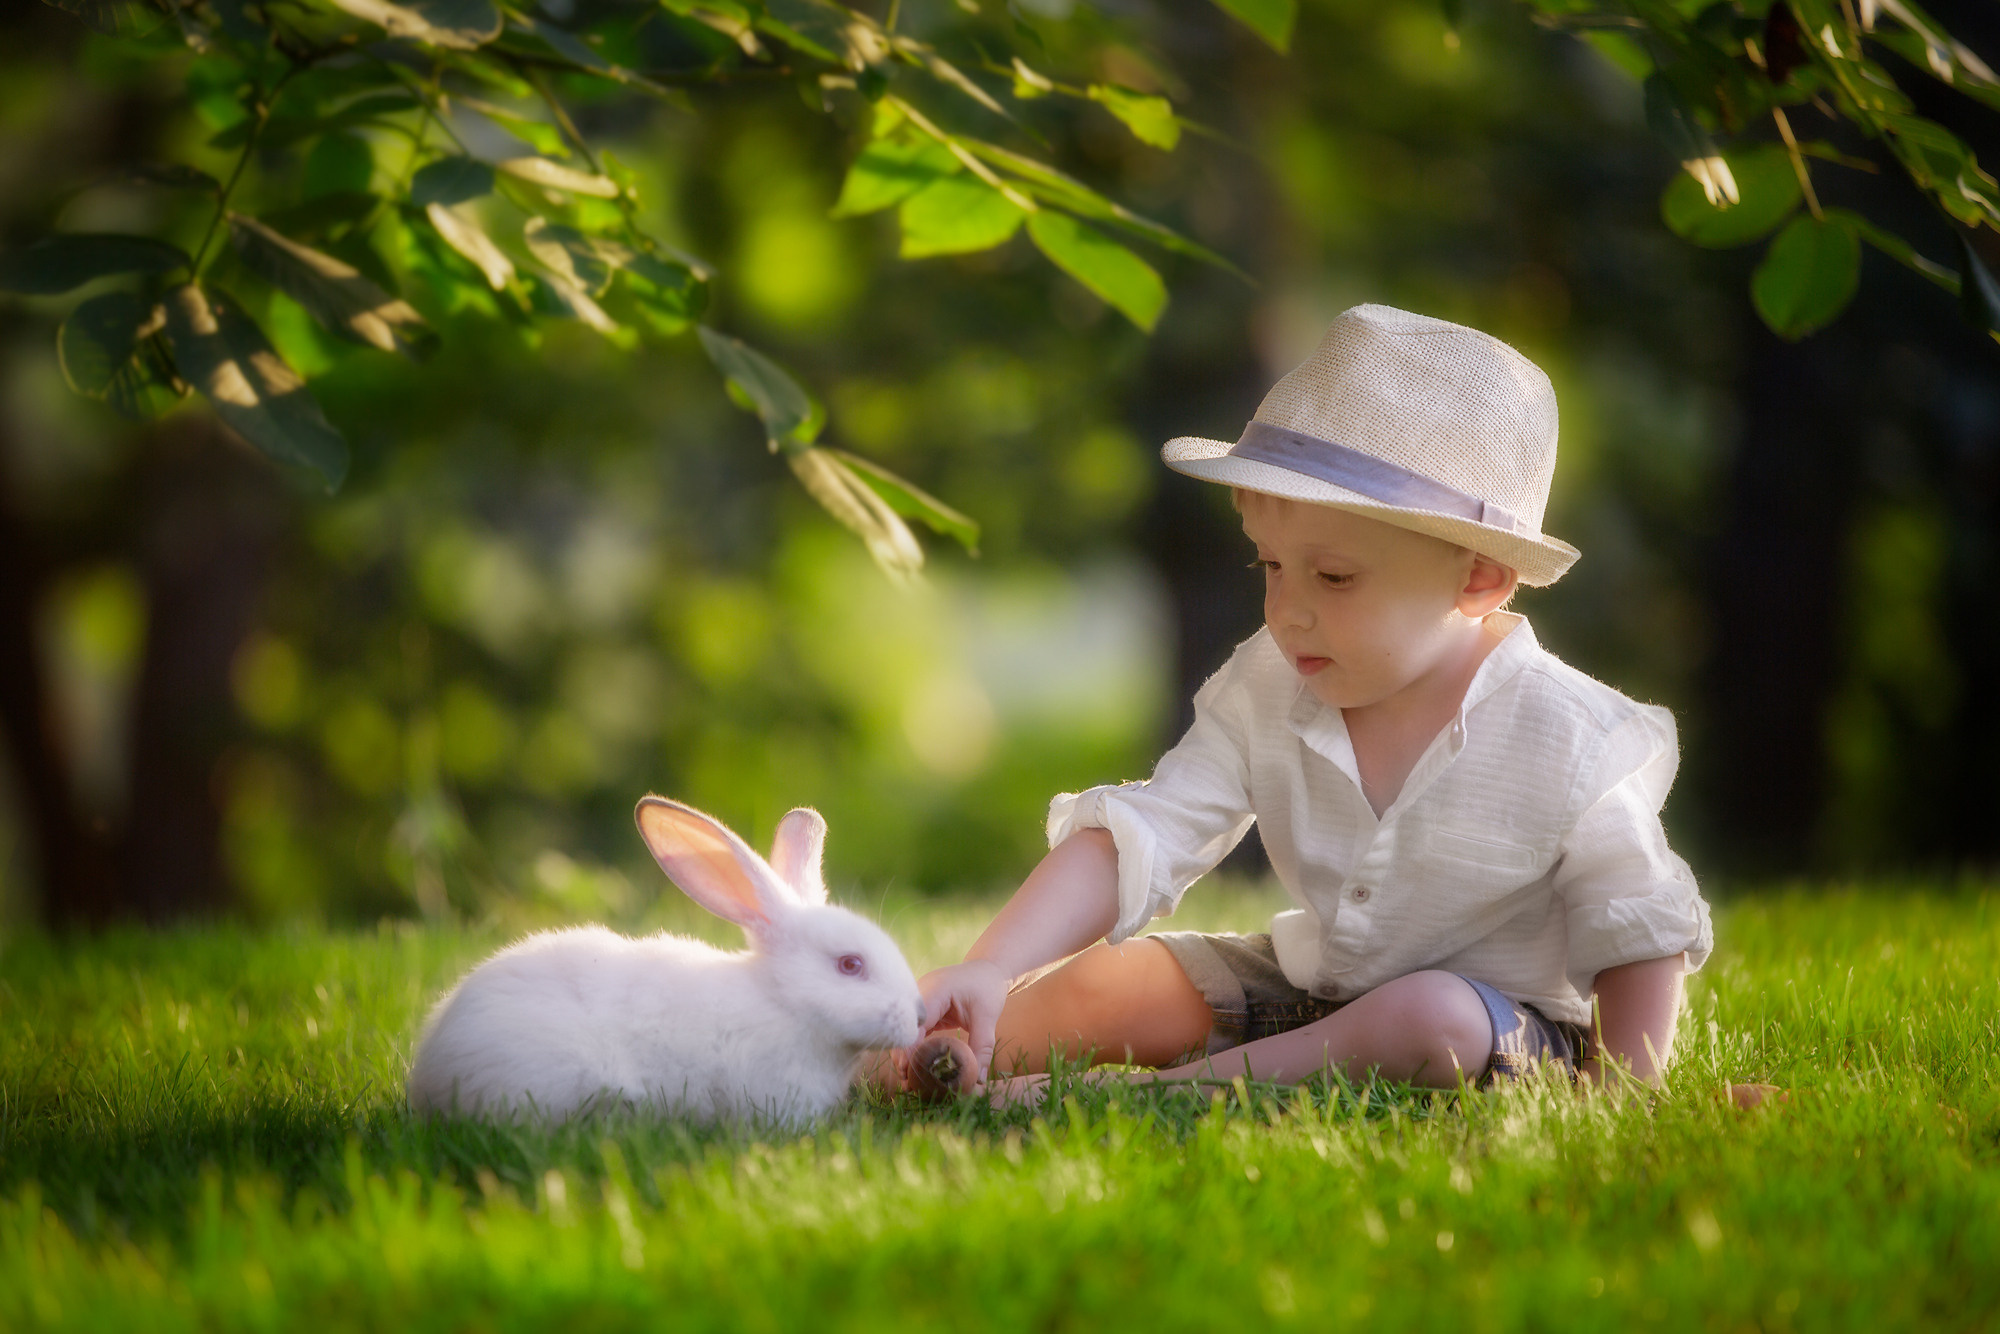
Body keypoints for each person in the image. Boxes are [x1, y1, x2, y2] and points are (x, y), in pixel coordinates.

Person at [905, 303, 1712, 1106]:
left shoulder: (1569, 734)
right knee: (1111, 979)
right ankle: (916, 1051)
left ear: (1477, 578)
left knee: (1427, 1016)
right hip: (1312, 990)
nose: (1287, 611)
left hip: (1497, 1026)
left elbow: (1638, 922)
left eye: (1333, 577)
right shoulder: (1270, 680)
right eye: (1270, 566)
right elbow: (1148, 829)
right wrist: (993, 965)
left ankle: (1154, 1097)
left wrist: (1626, 1096)